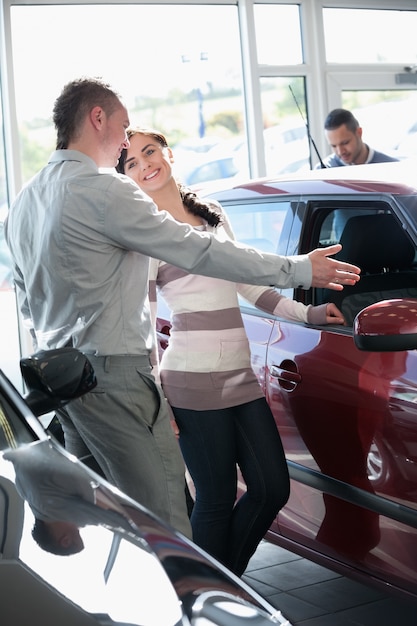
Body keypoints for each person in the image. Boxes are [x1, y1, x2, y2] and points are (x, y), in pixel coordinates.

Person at [4, 77, 360, 542]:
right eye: (124, 129)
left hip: (62, 382)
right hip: (116, 379)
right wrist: (297, 269)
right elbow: (199, 252)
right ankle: (189, 611)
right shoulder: (107, 191)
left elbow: (26, 300)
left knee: (104, 523)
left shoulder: (24, 202)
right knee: (167, 521)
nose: (126, 146)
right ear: (98, 119)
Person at [116, 126, 347, 575]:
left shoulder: (212, 213)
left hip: (241, 377)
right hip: (190, 382)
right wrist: (157, 401)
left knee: (271, 489)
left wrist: (309, 315)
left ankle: (219, 591)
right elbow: (140, 323)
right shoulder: (143, 236)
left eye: (150, 151)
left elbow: (248, 285)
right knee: (216, 500)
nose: (145, 165)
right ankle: (212, 601)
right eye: (131, 163)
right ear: (126, 177)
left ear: (168, 152)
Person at [318, 108, 399, 168]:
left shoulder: (391, 167)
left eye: (345, 143)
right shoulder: (323, 171)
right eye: (334, 146)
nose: (340, 152)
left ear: (359, 133)